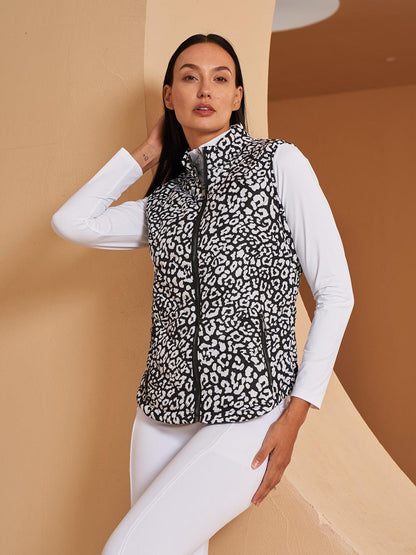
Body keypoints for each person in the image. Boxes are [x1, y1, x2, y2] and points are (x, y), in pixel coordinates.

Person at [51, 33, 354, 555]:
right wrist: (147, 153)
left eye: (220, 78)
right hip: (159, 413)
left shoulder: (278, 163)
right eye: (190, 77)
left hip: (251, 409)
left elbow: (336, 291)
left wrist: (297, 413)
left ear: (237, 96)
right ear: (170, 97)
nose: (205, 89)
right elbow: (72, 222)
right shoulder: (165, 201)